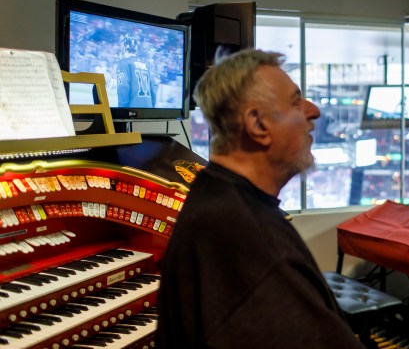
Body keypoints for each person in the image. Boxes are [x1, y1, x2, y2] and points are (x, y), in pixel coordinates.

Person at [155, 49, 364, 348]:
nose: (313, 110)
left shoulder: (216, 194)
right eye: (295, 101)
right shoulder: (241, 234)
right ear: (258, 125)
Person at [116, 33, 156, 107]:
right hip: (148, 110)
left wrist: (122, 111)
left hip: (133, 112)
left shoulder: (123, 63)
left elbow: (123, 88)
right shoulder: (146, 65)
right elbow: (153, 91)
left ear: (124, 47)